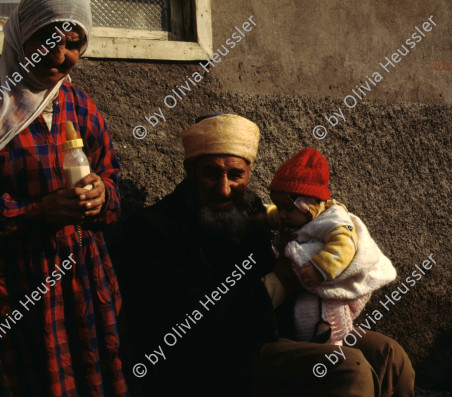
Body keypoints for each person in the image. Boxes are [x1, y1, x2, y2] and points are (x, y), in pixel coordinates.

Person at [121, 113, 415, 396]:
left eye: (235, 175)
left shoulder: (250, 215)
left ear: (248, 174)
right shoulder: (154, 229)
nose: (224, 189)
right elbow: (191, 324)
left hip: (276, 333)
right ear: (190, 172)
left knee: (387, 355)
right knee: (348, 368)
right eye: (211, 173)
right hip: (216, 360)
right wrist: (281, 282)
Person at [0, 1, 128, 395]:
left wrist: (102, 196)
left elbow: (111, 177)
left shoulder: (80, 105)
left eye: (73, 43)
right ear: (21, 38)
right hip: (15, 287)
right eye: (46, 39)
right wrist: (33, 213)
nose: (59, 55)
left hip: (83, 279)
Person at [266, 148, 397, 345]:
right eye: (278, 206)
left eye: (287, 208)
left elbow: (344, 247)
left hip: (329, 283)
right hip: (300, 290)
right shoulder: (297, 215)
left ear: (310, 205)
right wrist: (264, 216)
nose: (282, 214)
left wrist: (320, 268)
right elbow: (277, 215)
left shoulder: (332, 219)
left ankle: (327, 337)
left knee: (320, 310)